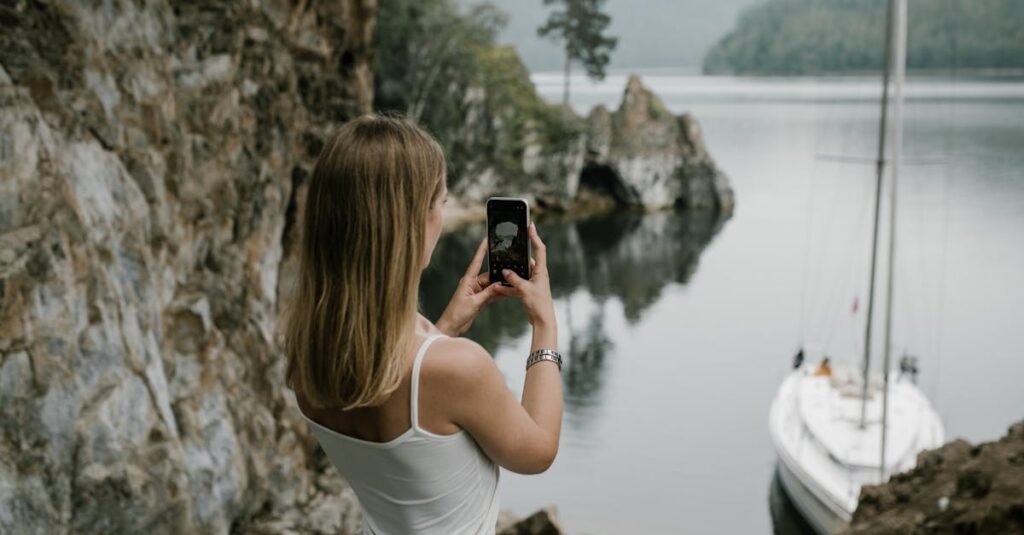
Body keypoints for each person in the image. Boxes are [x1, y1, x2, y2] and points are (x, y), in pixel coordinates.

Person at [284, 115, 563, 535]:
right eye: (442, 202)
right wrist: (544, 323)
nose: (443, 215)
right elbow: (538, 451)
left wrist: (443, 327)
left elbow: (396, 391)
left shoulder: (308, 348)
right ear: (414, 221)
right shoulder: (457, 369)